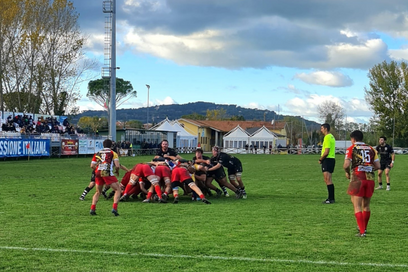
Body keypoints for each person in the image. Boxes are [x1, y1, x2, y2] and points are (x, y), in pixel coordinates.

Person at [343, 130, 380, 237]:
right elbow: (377, 166)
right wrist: (368, 168)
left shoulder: (352, 148)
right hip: (370, 179)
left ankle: (362, 231)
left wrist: (347, 173)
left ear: (353, 139)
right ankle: (364, 227)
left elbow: (346, 165)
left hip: (357, 178)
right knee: (366, 205)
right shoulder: (371, 149)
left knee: (357, 205)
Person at [89, 139, 122, 216]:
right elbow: (117, 166)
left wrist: (97, 170)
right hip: (107, 173)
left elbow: (92, 166)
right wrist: (117, 171)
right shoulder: (112, 153)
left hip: (98, 173)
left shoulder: (97, 153)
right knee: (118, 190)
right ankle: (114, 208)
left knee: (98, 192)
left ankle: (92, 209)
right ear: (111, 145)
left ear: (103, 145)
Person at [318, 123, 336, 204]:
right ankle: (331, 198)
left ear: (325, 129)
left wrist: (321, 159)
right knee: (328, 179)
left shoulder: (327, 137)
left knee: (327, 179)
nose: (321, 130)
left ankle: (330, 198)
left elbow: (326, 151)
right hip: (331, 159)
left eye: (322, 128)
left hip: (327, 159)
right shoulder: (332, 136)